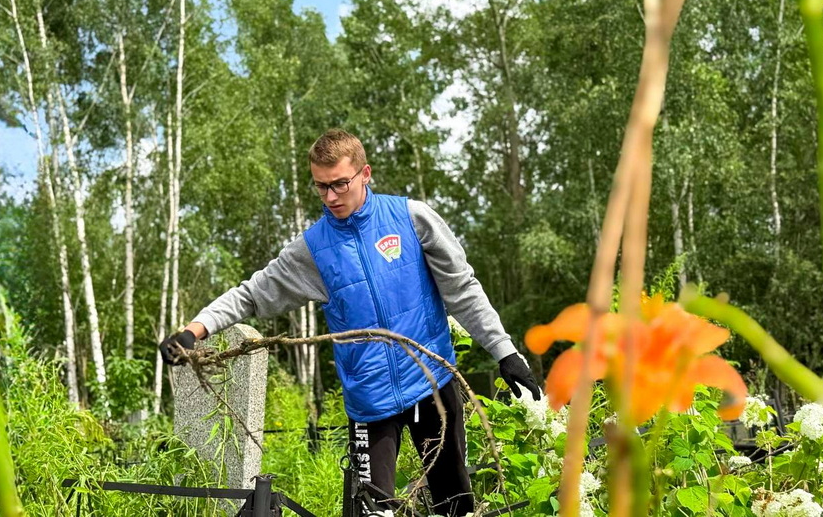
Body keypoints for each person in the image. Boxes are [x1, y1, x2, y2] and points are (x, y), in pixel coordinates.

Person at [160, 128, 541, 516]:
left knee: (454, 505)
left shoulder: (412, 219)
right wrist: (195, 330)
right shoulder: (313, 249)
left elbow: (462, 290)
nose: (330, 197)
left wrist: (505, 352)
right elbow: (252, 293)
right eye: (321, 187)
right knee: (375, 511)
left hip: (433, 386)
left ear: (365, 173)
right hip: (370, 401)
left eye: (339, 184)